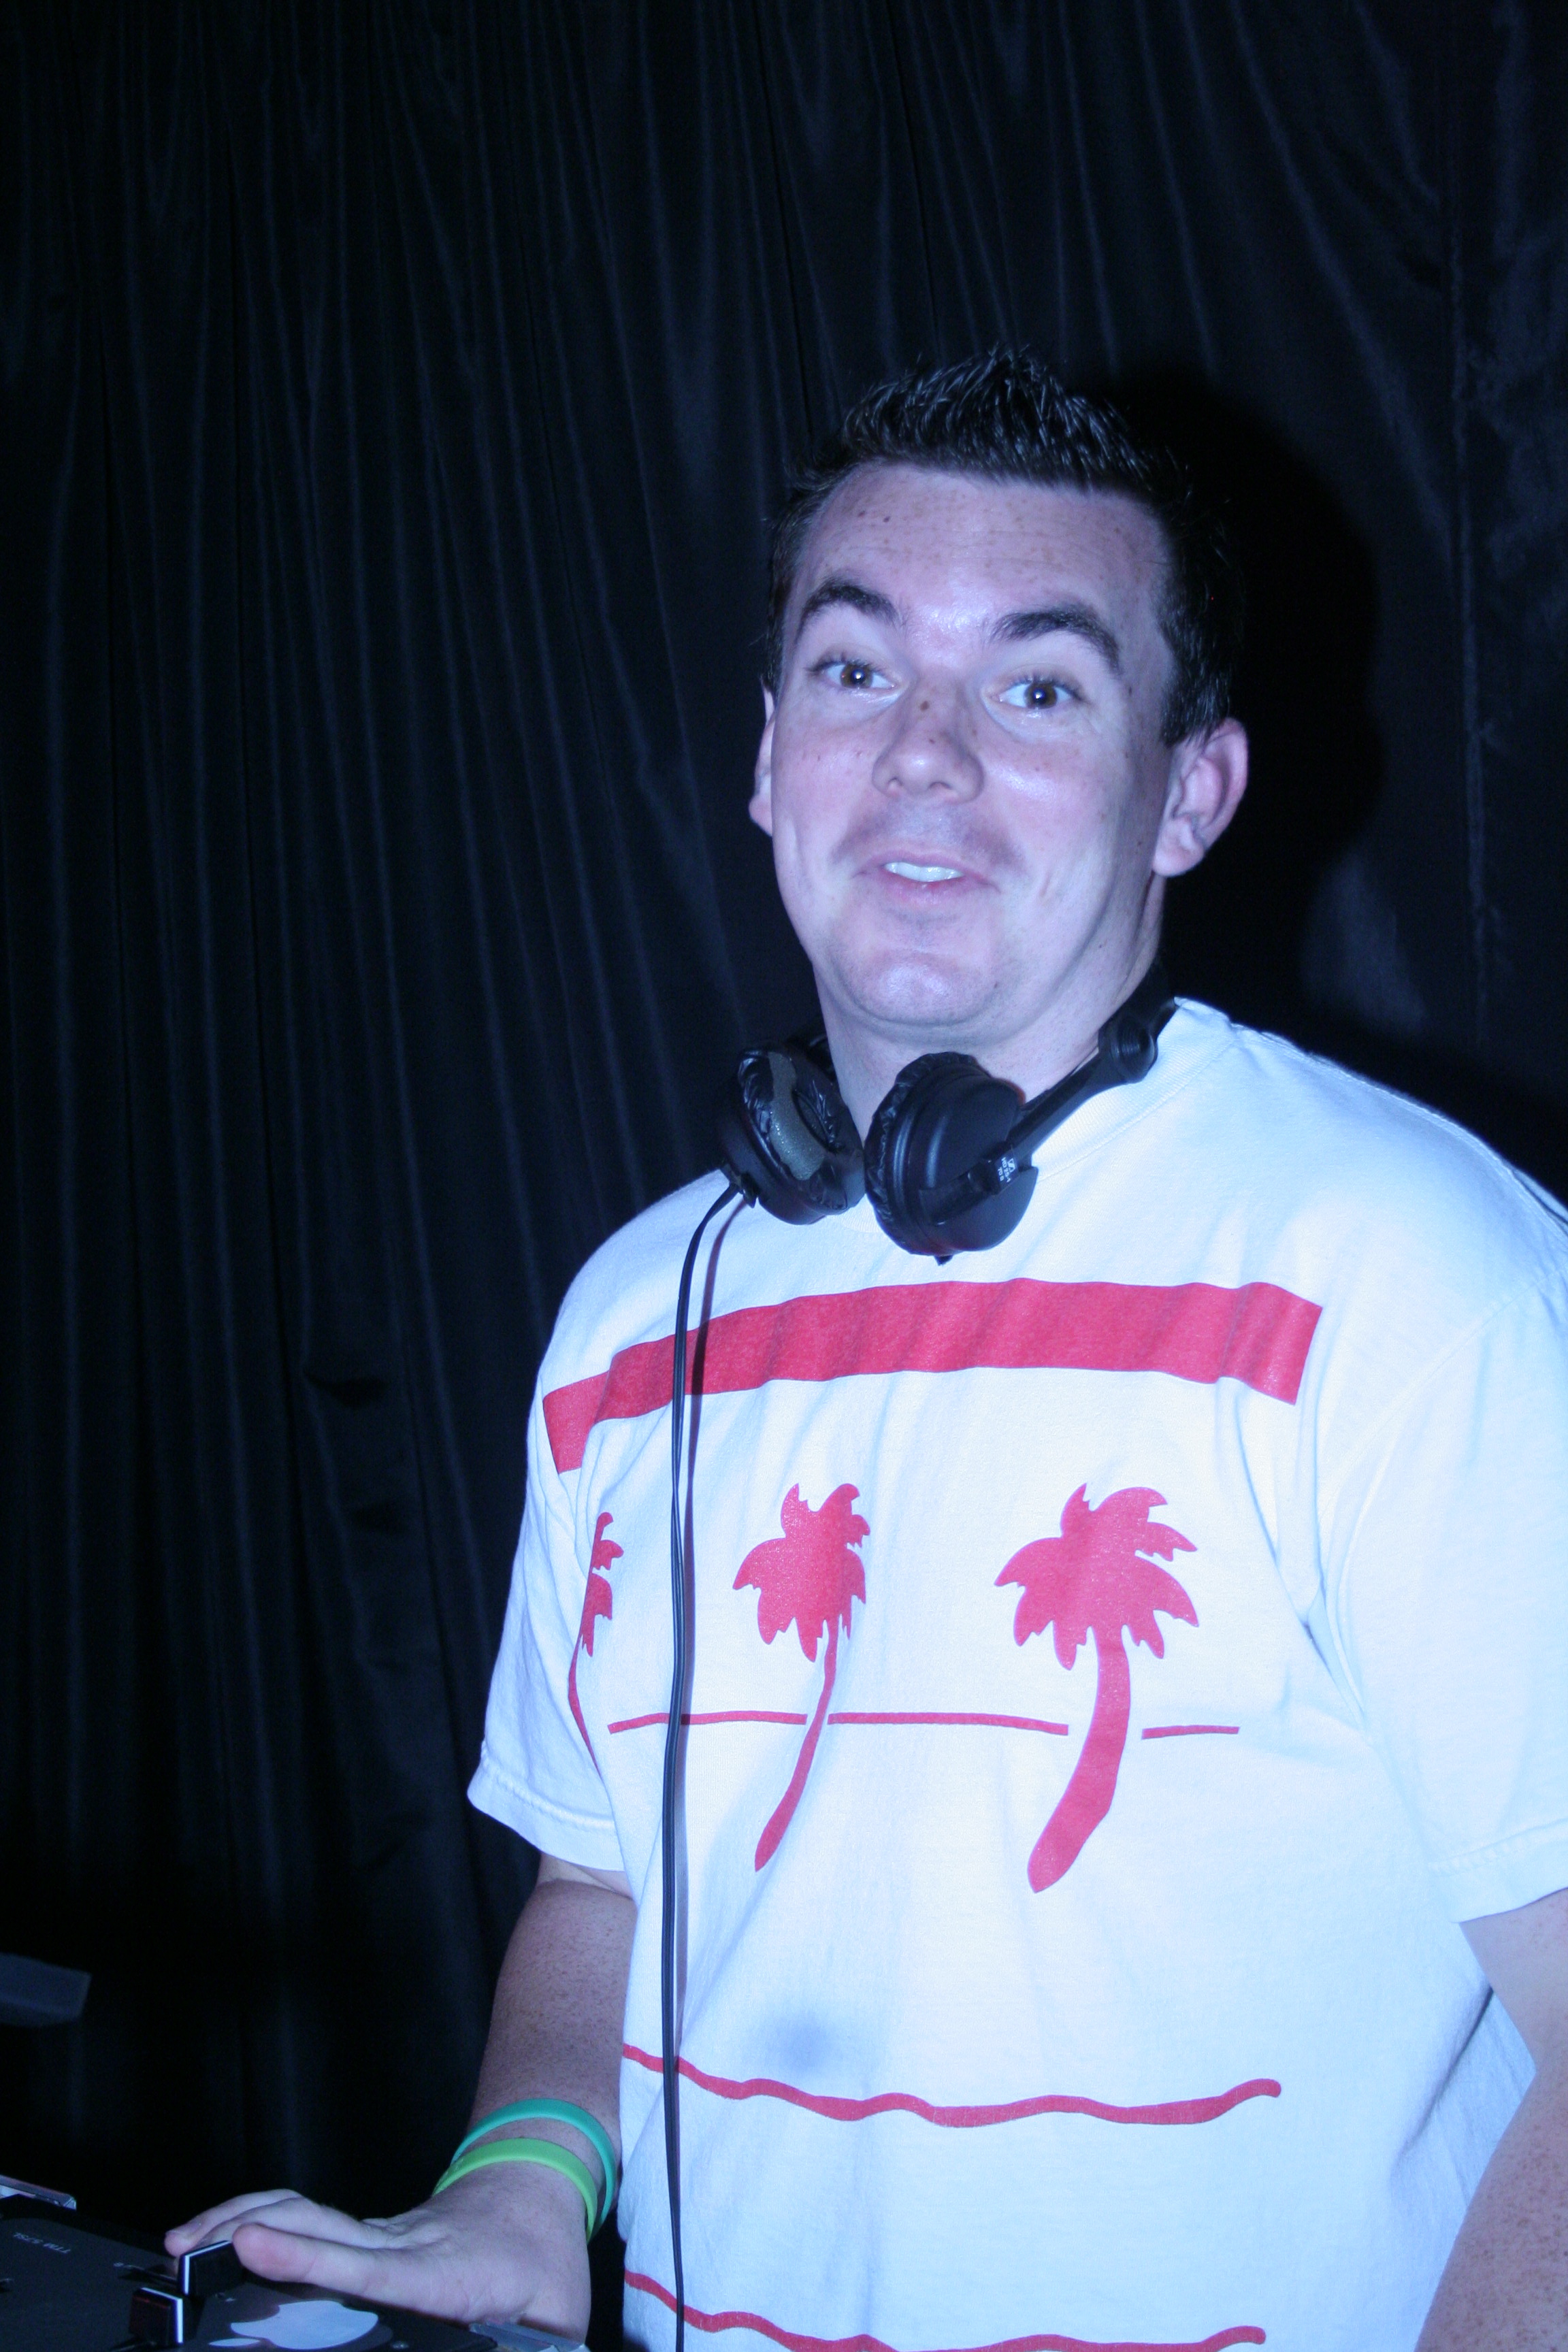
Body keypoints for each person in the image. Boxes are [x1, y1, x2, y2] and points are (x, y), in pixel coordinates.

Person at [170, 355, 1568, 2351]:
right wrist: (520, 2187)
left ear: (1192, 793)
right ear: (769, 760)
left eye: (1038, 687)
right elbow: (599, 1888)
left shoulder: (1412, 1280)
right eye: (856, 671)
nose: (925, 755)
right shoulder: (636, 1315)